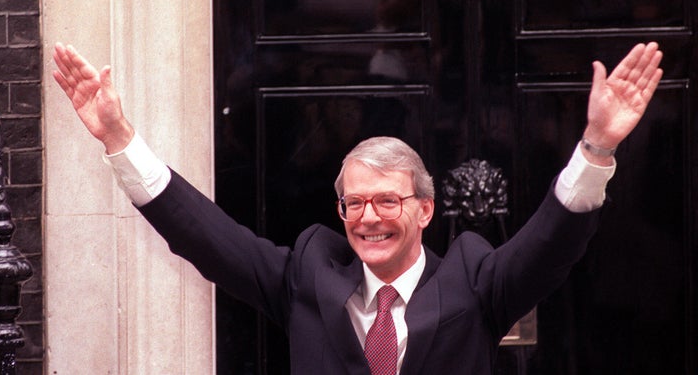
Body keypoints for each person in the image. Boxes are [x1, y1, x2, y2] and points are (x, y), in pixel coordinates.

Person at [53, 41, 663, 375]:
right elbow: (205, 235)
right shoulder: (307, 274)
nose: (368, 217)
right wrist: (119, 138)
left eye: (387, 201)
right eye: (354, 203)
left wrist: (598, 145)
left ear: (425, 210)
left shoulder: (476, 279)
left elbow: (553, 241)